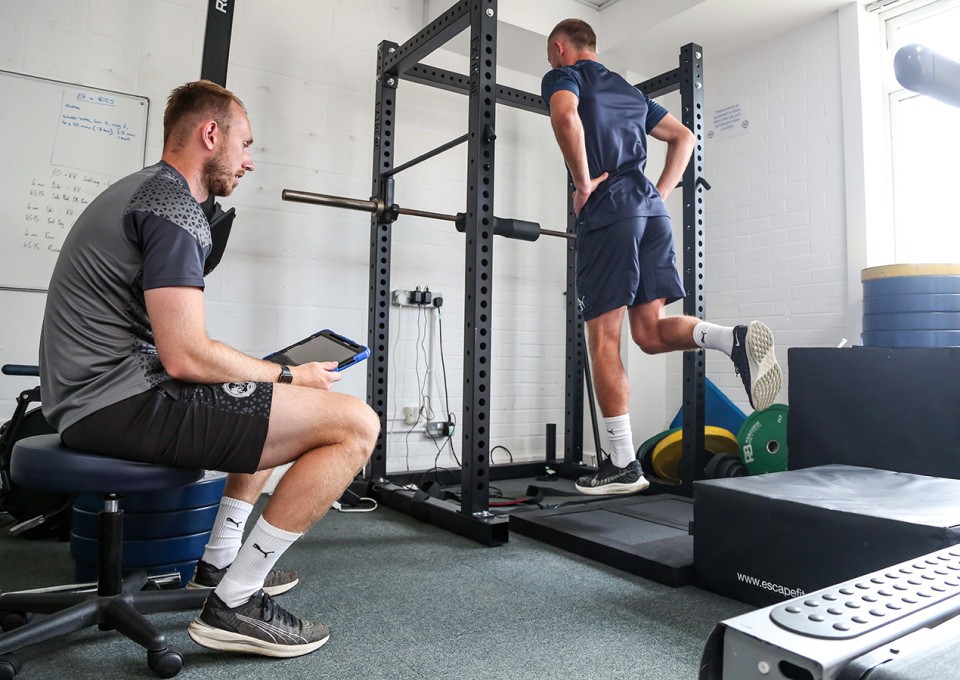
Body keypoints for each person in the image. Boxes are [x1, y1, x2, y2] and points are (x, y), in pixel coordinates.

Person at [39, 80, 380, 658]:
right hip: (116, 402)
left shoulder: (145, 192)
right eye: (245, 145)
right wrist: (290, 375)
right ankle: (236, 603)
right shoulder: (172, 206)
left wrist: (269, 379)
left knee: (258, 394)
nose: (248, 162)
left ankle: (219, 563)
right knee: (355, 424)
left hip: (97, 397)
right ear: (210, 133)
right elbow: (186, 355)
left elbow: (180, 351)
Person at [541, 20, 782, 496]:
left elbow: (566, 118)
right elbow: (684, 136)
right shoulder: (629, 91)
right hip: (651, 214)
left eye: (553, 55)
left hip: (608, 213)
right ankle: (730, 340)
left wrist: (584, 182)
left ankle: (623, 463)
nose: (552, 61)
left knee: (604, 342)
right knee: (648, 335)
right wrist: (660, 194)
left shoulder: (565, 77)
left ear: (560, 48)